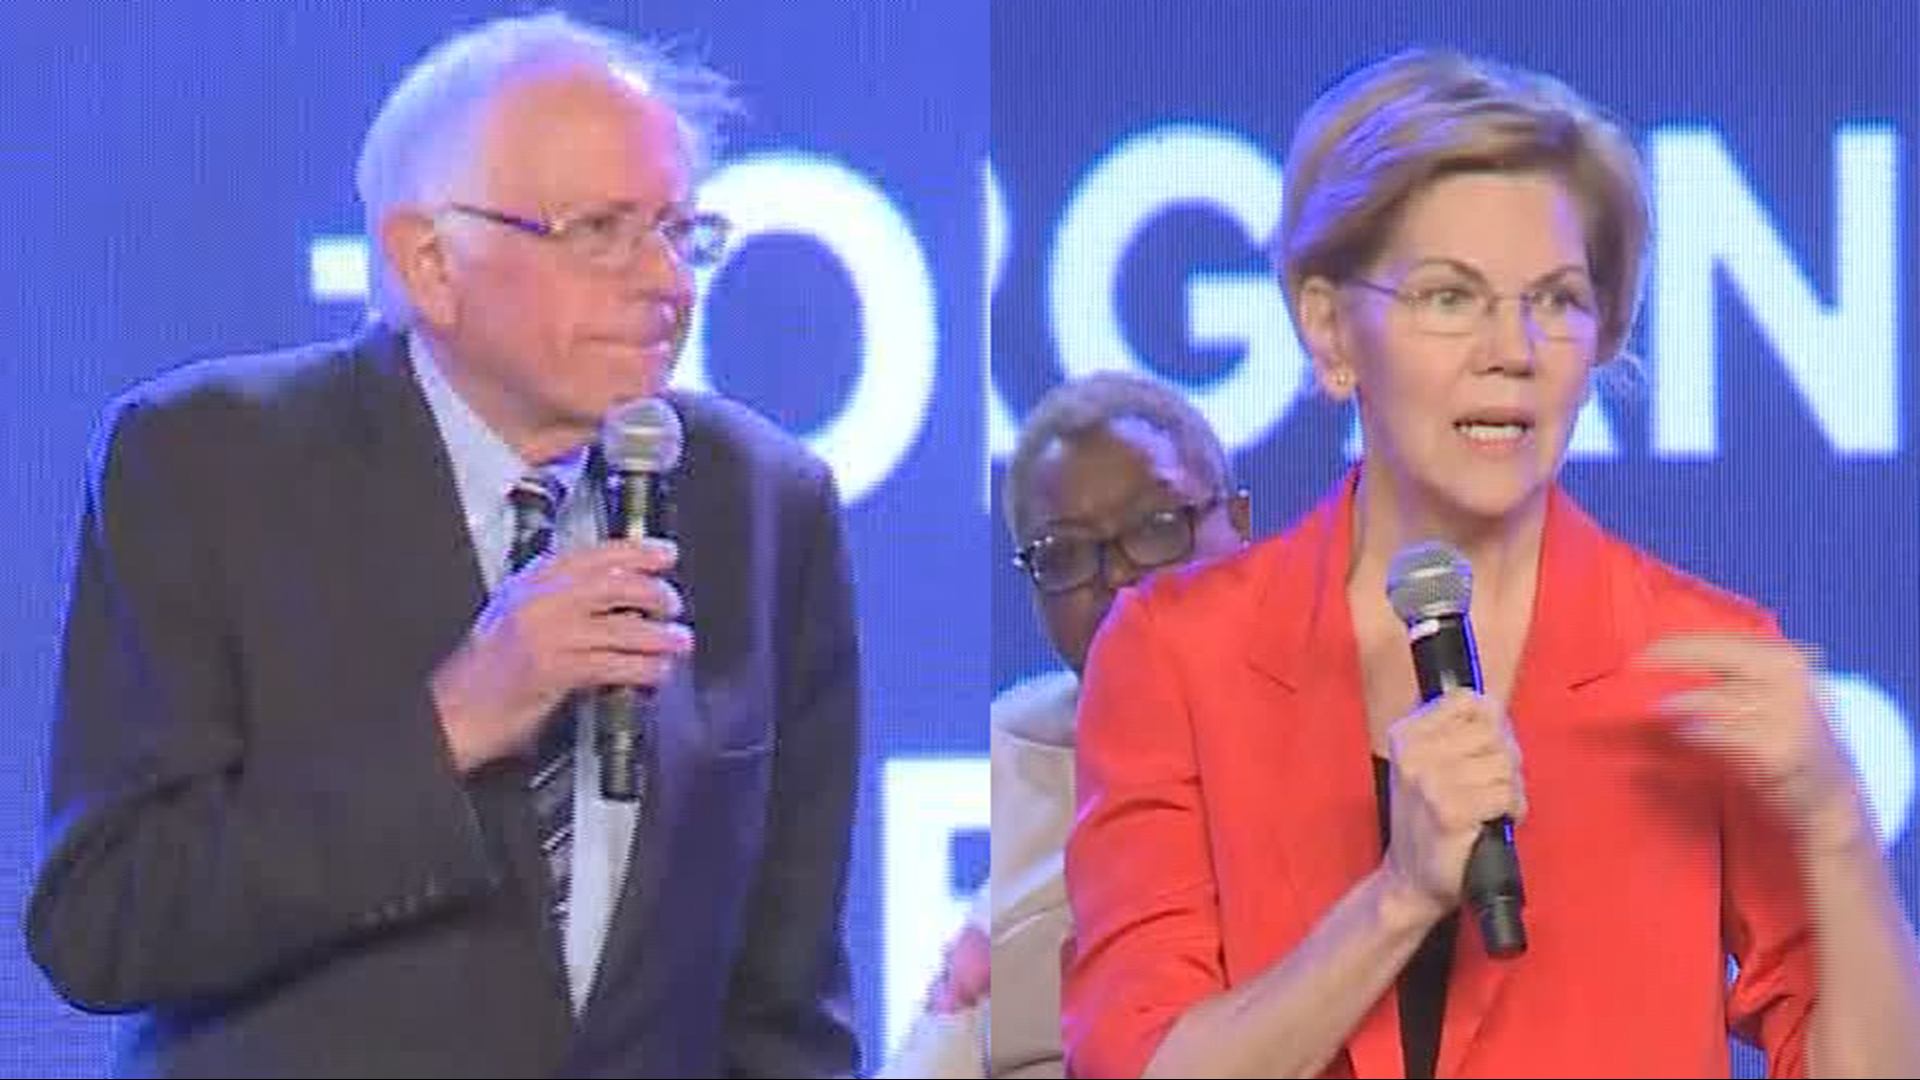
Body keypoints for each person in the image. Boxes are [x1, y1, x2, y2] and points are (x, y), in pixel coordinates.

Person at [25, 13, 860, 1077]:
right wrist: (454, 722)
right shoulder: (210, 463)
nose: (667, 283)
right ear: (429, 262)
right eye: (601, 231)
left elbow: (784, 1003)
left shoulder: (764, 500)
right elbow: (105, 919)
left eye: (680, 231)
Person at [1060, 47, 1920, 1080]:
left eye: (1557, 299)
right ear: (1330, 331)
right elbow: (1137, 1063)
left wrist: (1834, 823)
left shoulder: (1701, 666)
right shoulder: (1176, 657)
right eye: (1449, 297)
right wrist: (1398, 900)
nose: (1513, 348)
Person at [878, 371, 1250, 1078]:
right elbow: (957, 1032)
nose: (1117, 579)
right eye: (1066, 554)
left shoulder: (1340, 720)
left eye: (1155, 527)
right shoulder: (1028, 747)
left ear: (1239, 523)